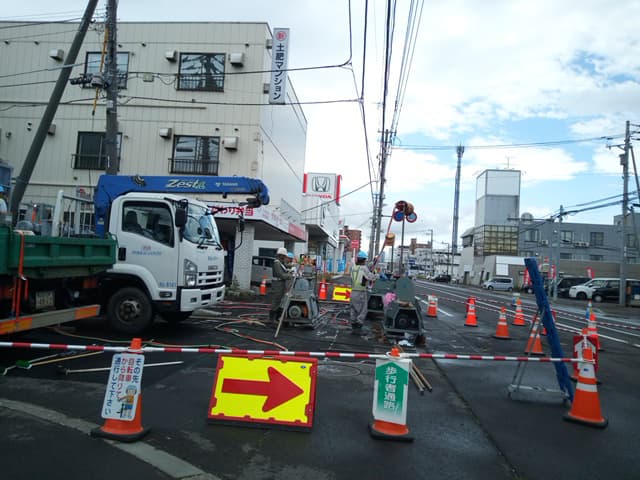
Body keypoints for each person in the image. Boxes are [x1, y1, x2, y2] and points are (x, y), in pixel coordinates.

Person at [349, 250, 378, 333]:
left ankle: (353, 327)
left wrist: (373, 263)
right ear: (364, 260)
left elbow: (364, 270)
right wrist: (377, 275)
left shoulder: (354, 268)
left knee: (353, 310)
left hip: (353, 292)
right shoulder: (364, 268)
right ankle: (358, 328)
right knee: (362, 310)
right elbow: (371, 277)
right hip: (360, 292)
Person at [269, 247, 293, 323]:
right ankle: (272, 319)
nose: (285, 257)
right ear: (281, 255)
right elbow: (281, 274)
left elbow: (285, 266)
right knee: (276, 300)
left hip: (281, 283)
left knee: (280, 300)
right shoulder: (276, 263)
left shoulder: (280, 262)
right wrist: (290, 276)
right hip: (277, 284)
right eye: (284, 256)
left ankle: (277, 317)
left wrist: (292, 266)